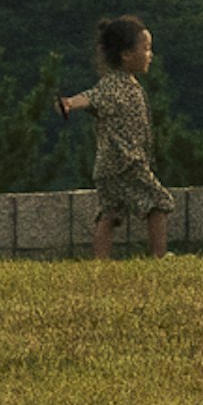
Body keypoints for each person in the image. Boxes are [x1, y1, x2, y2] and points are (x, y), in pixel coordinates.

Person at [57, 16, 176, 261]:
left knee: (109, 214)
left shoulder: (120, 84)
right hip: (126, 163)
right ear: (126, 55)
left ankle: (100, 261)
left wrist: (69, 103)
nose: (149, 55)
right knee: (159, 202)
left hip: (106, 166)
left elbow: (91, 96)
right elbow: (89, 97)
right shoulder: (115, 86)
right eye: (145, 48)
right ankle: (159, 256)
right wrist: (69, 103)